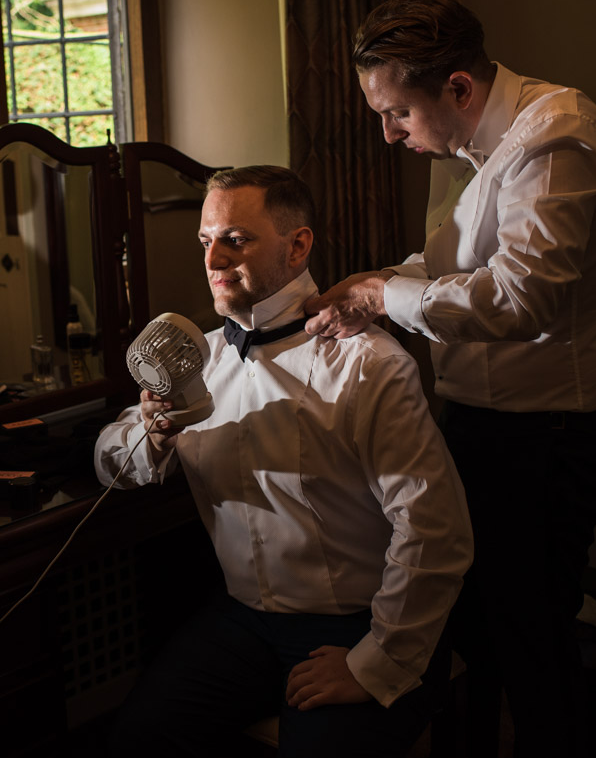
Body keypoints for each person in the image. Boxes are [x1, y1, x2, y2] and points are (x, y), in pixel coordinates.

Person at [303, 0, 596, 757]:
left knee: (534, 654)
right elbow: (452, 264)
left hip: (544, 446)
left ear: (456, 88)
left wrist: (385, 295)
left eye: (397, 114)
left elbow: (520, 297)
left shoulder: (557, 137)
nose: (388, 134)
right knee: (479, 640)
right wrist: (370, 284)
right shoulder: (470, 147)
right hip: (481, 431)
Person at [95, 166, 473, 758]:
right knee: (136, 739)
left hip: (362, 620)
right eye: (205, 241)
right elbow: (108, 456)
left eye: (235, 240)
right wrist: (152, 434)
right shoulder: (202, 359)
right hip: (244, 620)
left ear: (298, 246)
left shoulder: (368, 366)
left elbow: (436, 531)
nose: (214, 259)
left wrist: (375, 660)